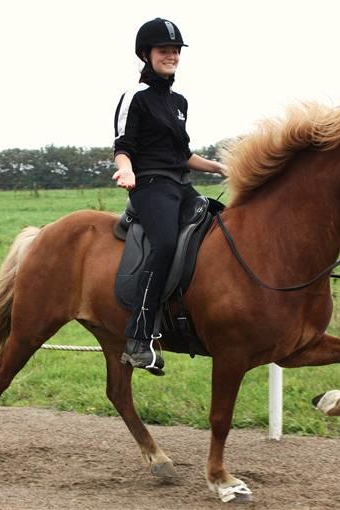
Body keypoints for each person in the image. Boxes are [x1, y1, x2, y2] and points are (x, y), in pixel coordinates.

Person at [112, 17, 226, 376]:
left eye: (175, 51)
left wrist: (221, 168)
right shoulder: (135, 98)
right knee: (162, 243)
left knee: (219, 223)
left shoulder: (179, 102)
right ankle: (138, 337)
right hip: (148, 185)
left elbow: (184, 155)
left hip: (180, 185)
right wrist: (126, 169)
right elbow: (123, 145)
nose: (172, 56)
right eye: (164, 50)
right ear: (146, 54)